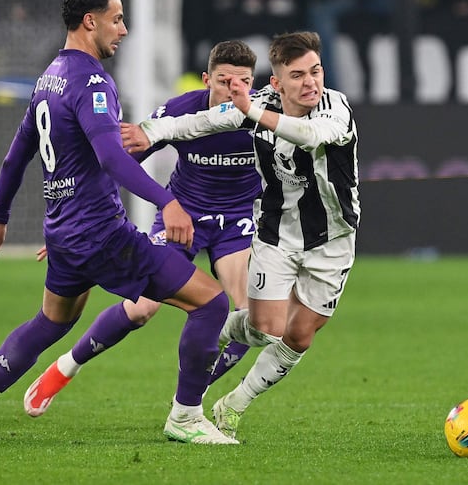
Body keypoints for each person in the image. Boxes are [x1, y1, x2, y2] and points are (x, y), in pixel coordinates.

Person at [0, 0, 237, 445]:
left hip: (64, 231)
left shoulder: (49, 77)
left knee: (52, 322)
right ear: (90, 21)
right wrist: (168, 201)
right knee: (212, 302)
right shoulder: (92, 81)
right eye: (117, 19)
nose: (123, 29)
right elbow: (111, 157)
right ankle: (186, 417)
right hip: (102, 233)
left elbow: (17, 154)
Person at [121, 31, 360, 439]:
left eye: (316, 71)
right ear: (277, 83)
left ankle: (234, 402)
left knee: (299, 336)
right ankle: (213, 325)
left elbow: (309, 136)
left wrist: (250, 110)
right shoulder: (259, 105)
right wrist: (151, 132)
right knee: (268, 328)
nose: (311, 83)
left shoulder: (334, 107)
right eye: (298, 75)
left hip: (332, 240)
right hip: (275, 235)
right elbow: (205, 120)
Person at [24, 40, 261, 414]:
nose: (233, 90)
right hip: (184, 216)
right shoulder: (181, 110)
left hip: (237, 221)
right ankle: (65, 367)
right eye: (223, 81)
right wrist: (74, 223)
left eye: (243, 82)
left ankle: (190, 396)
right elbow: (121, 161)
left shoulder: (263, 117)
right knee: (141, 310)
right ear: (205, 80)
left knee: (252, 316)